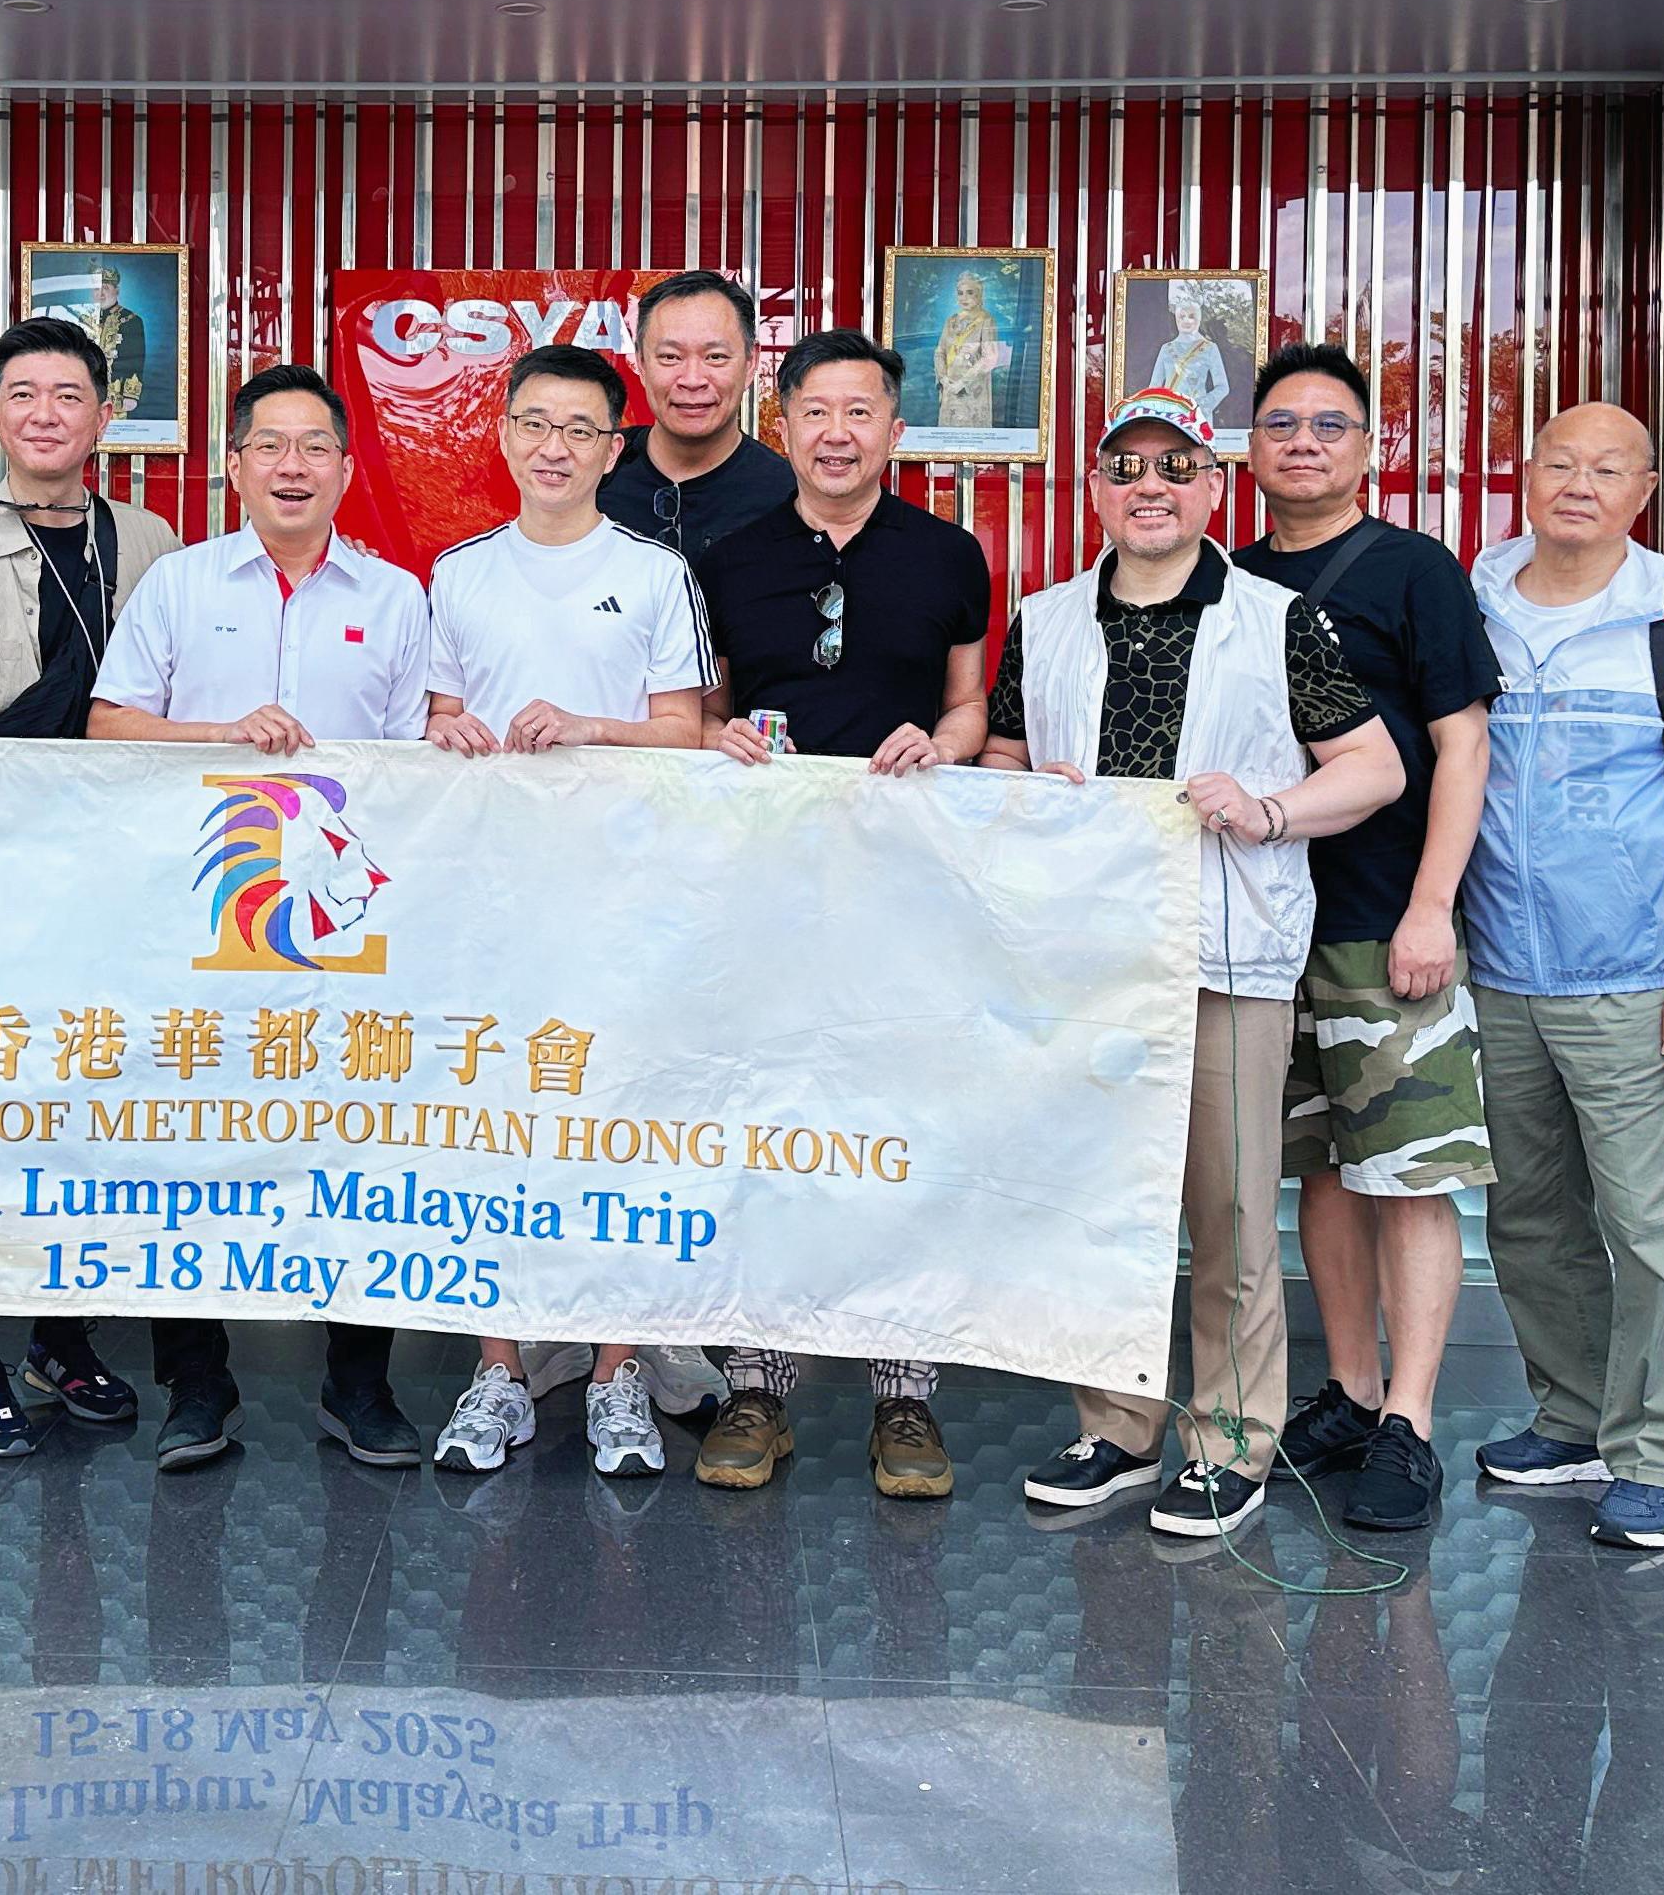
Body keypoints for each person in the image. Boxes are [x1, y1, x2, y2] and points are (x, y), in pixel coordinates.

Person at [987, 385, 1404, 1542]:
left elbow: (1373, 768)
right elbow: (1006, 751)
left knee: (1226, 1211)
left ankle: (1229, 1443)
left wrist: (1269, 809)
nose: (1151, 487)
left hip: (1226, 951)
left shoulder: (1277, 620)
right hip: (1088, 955)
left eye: (1176, 465)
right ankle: (1115, 1428)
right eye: (1127, 467)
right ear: (1096, 489)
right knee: (1099, 1203)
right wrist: (1027, 788)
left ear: (1215, 486)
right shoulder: (1046, 618)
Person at [90, 361, 436, 1475]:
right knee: (187, 1141)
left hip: (342, 926)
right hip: (201, 909)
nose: (293, 466)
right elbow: (108, 726)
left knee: (357, 1140)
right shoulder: (179, 584)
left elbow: (413, 765)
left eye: (315, 446)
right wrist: (221, 736)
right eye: (270, 446)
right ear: (233, 465)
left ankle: (358, 1384)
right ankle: (196, 1387)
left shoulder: (396, 598)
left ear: (345, 467)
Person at [687, 327, 993, 1501]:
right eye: (815, 410)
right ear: (784, 424)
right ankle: (757, 1383)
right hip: (765, 882)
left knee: (897, 1116)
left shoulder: (949, 553)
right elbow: (704, 709)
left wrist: (943, 744)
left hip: (907, 882)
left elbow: (970, 706)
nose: (837, 433)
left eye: (860, 412)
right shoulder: (728, 556)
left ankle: (903, 1392)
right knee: (766, 1114)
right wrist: (722, 736)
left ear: (895, 431)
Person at [1461, 402, 1664, 1553]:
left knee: (1651, 1230)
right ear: (1525, 474)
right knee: (1530, 1218)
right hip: (1499, 975)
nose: (1578, 483)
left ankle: (1661, 1458)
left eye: (1607, 468)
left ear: (1644, 492)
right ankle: (1575, 1418)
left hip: (1633, 981)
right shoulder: (1472, 606)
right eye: (1559, 461)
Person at [0, 312, 179, 1457]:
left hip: (114, 884)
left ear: (106, 416)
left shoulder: (152, 543)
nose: (47, 413)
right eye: (24, 393)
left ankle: (62, 1334)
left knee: (88, 1111)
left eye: (69, 394)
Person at [421, 342, 713, 1485]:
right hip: (489, 899)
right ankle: (499, 1366)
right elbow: (437, 716)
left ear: (612, 447)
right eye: (535, 423)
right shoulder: (457, 572)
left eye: (580, 428)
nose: (555, 447)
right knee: (493, 1126)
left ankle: (614, 1368)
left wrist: (590, 726)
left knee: (618, 1126)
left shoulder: (653, 573)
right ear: (503, 434)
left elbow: (686, 728)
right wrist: (445, 730)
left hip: (621, 894)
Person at [1232, 342, 1498, 1534]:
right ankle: (1347, 1389)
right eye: (1281, 423)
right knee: (1324, 1169)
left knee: (1409, 1170)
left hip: (1384, 920)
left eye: (1329, 423)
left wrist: (1432, 903)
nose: (1304, 441)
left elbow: (1463, 744)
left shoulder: (1414, 569)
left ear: (1369, 446)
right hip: (1264, 925)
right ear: (1250, 448)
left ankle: (1411, 1420)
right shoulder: (1229, 578)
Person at [596, 268, 796, 562]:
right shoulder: (594, 474)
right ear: (640, 362)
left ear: (751, 362)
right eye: (670, 357)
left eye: (715, 357)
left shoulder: (790, 498)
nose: (692, 380)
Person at [929, 269, 1014, 433]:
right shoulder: (951, 321)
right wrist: (943, 379)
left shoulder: (986, 321)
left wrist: (963, 383)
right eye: (960, 293)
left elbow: (990, 357)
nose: (964, 298)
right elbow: (940, 351)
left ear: (979, 295)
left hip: (973, 391)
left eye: (970, 292)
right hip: (949, 388)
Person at [1149, 280, 1231, 423]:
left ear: (1198, 319)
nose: (1186, 321)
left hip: (1197, 417)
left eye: (1191, 316)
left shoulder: (1210, 348)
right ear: (1176, 319)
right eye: (1182, 316)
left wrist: (1201, 406)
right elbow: (1154, 387)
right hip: (1170, 417)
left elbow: (1222, 387)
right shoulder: (1166, 349)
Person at [84, 264, 150, 424]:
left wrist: (130, 394)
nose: (100, 294)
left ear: (117, 290)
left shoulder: (131, 321)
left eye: (105, 288)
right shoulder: (83, 319)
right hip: (85, 396)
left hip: (117, 395)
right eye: (96, 289)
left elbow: (135, 360)